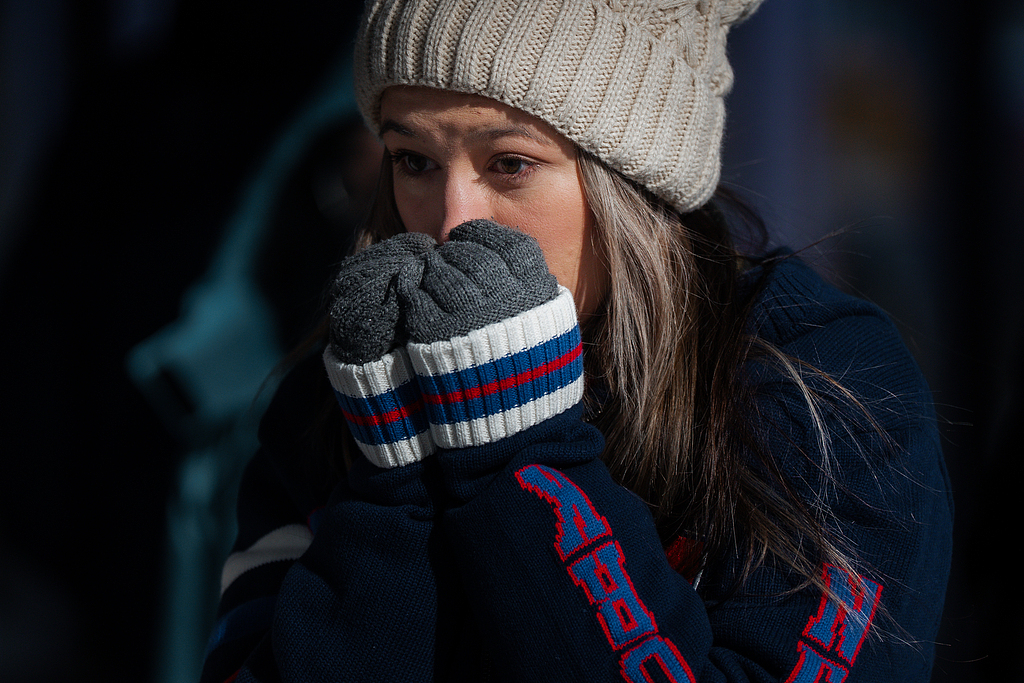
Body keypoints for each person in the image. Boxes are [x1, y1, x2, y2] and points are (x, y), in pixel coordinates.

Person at [200, 0, 953, 681]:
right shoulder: (347, 392)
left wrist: (518, 456)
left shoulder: (820, 381)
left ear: (632, 176)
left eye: (511, 164)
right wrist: (394, 490)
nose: (452, 221)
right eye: (415, 162)